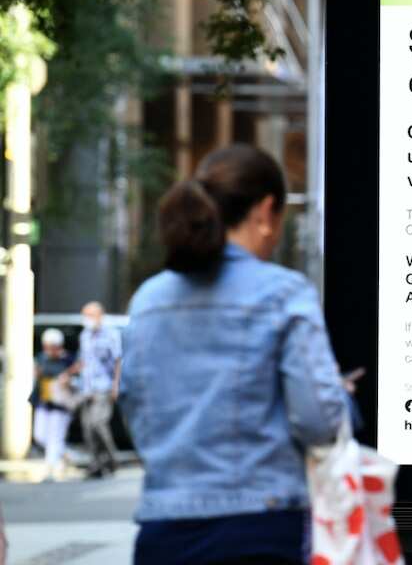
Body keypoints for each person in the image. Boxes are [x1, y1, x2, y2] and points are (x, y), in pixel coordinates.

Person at [119, 145, 348, 565]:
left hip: (163, 530)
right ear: (264, 212)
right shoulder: (282, 292)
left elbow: (133, 405)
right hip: (259, 527)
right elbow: (318, 420)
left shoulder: (148, 299)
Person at [72, 301, 123, 478]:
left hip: (104, 386)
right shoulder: (85, 335)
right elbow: (84, 361)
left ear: (100, 315)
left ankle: (112, 459)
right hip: (86, 387)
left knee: (98, 423)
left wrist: (117, 384)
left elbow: (118, 360)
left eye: (90, 315)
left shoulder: (111, 334)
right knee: (87, 428)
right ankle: (96, 464)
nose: (86, 319)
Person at [31, 328, 76, 480]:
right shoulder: (42, 358)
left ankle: (50, 469)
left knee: (54, 438)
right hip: (44, 402)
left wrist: (69, 380)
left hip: (61, 404)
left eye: (52, 346)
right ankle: (65, 454)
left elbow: (78, 380)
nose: (49, 350)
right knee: (40, 436)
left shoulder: (69, 361)